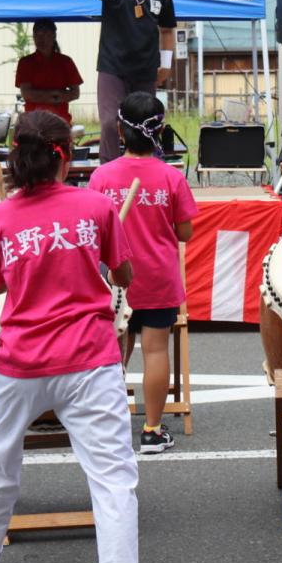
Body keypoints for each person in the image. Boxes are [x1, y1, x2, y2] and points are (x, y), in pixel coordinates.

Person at [0, 110, 187, 563]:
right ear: (64, 154)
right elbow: (124, 274)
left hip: (20, 358)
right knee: (112, 478)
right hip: (89, 358)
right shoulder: (97, 207)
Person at [88, 92, 198, 454]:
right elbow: (185, 232)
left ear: (119, 131)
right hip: (158, 279)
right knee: (155, 351)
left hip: (114, 279)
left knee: (114, 352)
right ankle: (151, 429)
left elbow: (92, 230)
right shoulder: (170, 177)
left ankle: (108, 426)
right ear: (161, 130)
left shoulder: (102, 177)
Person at [80, 0, 177, 163]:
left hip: (145, 69)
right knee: (110, 122)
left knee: (145, 122)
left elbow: (167, 30)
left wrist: (165, 64)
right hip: (112, 66)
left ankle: (143, 168)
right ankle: (109, 170)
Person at [15, 19, 84, 123]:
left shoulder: (66, 62)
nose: (40, 39)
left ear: (53, 36)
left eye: (45, 34)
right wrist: (56, 95)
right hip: (34, 124)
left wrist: (41, 96)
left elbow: (75, 93)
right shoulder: (25, 63)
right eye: (37, 35)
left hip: (60, 123)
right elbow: (27, 94)